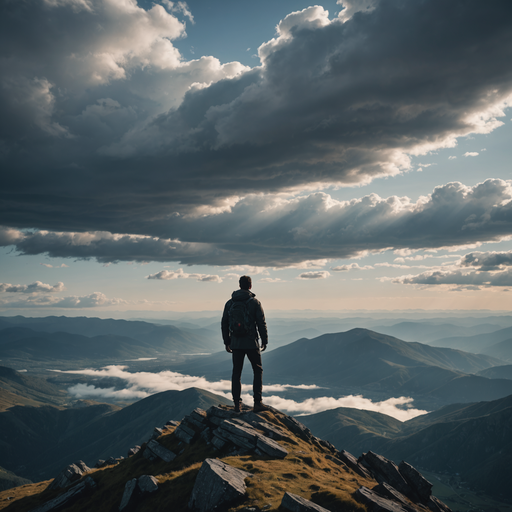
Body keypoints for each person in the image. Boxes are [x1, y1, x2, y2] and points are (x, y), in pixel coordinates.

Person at [221, 275, 268, 413]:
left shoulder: (230, 303)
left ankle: (237, 404)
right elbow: (261, 323)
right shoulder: (254, 302)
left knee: (236, 373)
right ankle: (257, 403)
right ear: (250, 286)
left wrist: (227, 341)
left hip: (236, 343)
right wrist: (264, 340)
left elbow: (224, 323)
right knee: (257, 370)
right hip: (251, 343)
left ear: (239, 285)